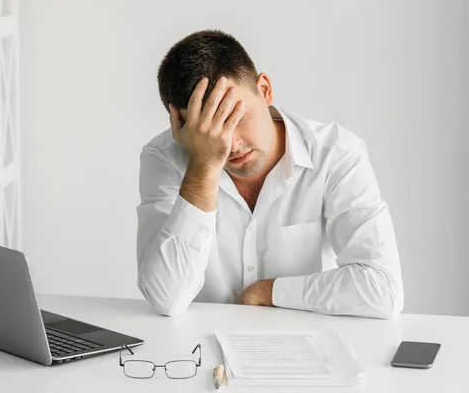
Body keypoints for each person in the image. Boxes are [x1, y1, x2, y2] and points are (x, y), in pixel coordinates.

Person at [136, 29, 404, 319]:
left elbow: (383, 288)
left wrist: (269, 292)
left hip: (304, 345)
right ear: (181, 125)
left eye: (236, 118)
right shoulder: (164, 158)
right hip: (201, 351)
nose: (231, 144)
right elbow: (166, 299)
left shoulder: (336, 154)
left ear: (264, 90)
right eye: (207, 129)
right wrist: (203, 166)